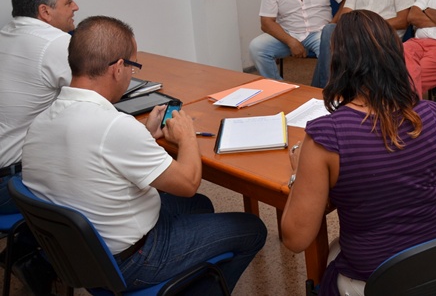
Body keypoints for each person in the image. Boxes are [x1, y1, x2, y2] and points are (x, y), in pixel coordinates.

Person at [22, 16, 267, 290]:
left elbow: (95, 158)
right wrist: (186, 135)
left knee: (200, 206)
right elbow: (187, 184)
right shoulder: (115, 126)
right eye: (133, 66)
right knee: (253, 229)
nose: (131, 74)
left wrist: (145, 137)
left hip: (79, 257)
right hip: (132, 260)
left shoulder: (40, 123)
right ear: (118, 68)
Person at [281, 10, 436, 296]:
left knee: (331, 258)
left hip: (380, 280)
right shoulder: (434, 116)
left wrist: (299, 174)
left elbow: (295, 239)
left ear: (337, 63)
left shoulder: (327, 136)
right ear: (395, 57)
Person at [1, 0, 78, 215]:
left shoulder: (5, 34)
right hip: (13, 185)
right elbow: (100, 94)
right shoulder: (56, 43)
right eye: (68, 2)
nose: (75, 7)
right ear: (45, 11)